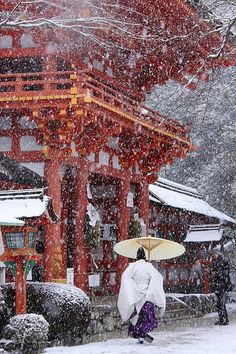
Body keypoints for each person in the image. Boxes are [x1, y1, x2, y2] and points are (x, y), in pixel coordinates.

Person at [117, 247, 166, 344]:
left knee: (137, 319)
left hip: (136, 298)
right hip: (147, 297)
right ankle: (142, 332)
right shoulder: (149, 267)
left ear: (136, 256)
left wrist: (132, 288)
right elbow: (158, 277)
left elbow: (125, 277)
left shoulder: (132, 267)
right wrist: (152, 289)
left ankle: (140, 336)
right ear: (144, 256)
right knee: (150, 320)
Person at [209, 248, 231, 325]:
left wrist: (217, 273)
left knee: (221, 303)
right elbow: (211, 272)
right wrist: (211, 274)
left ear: (219, 254)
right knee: (219, 304)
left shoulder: (224, 262)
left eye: (215, 253)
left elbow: (226, 273)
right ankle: (222, 319)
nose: (214, 255)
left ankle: (225, 320)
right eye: (213, 254)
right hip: (216, 285)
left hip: (222, 285)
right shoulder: (214, 262)